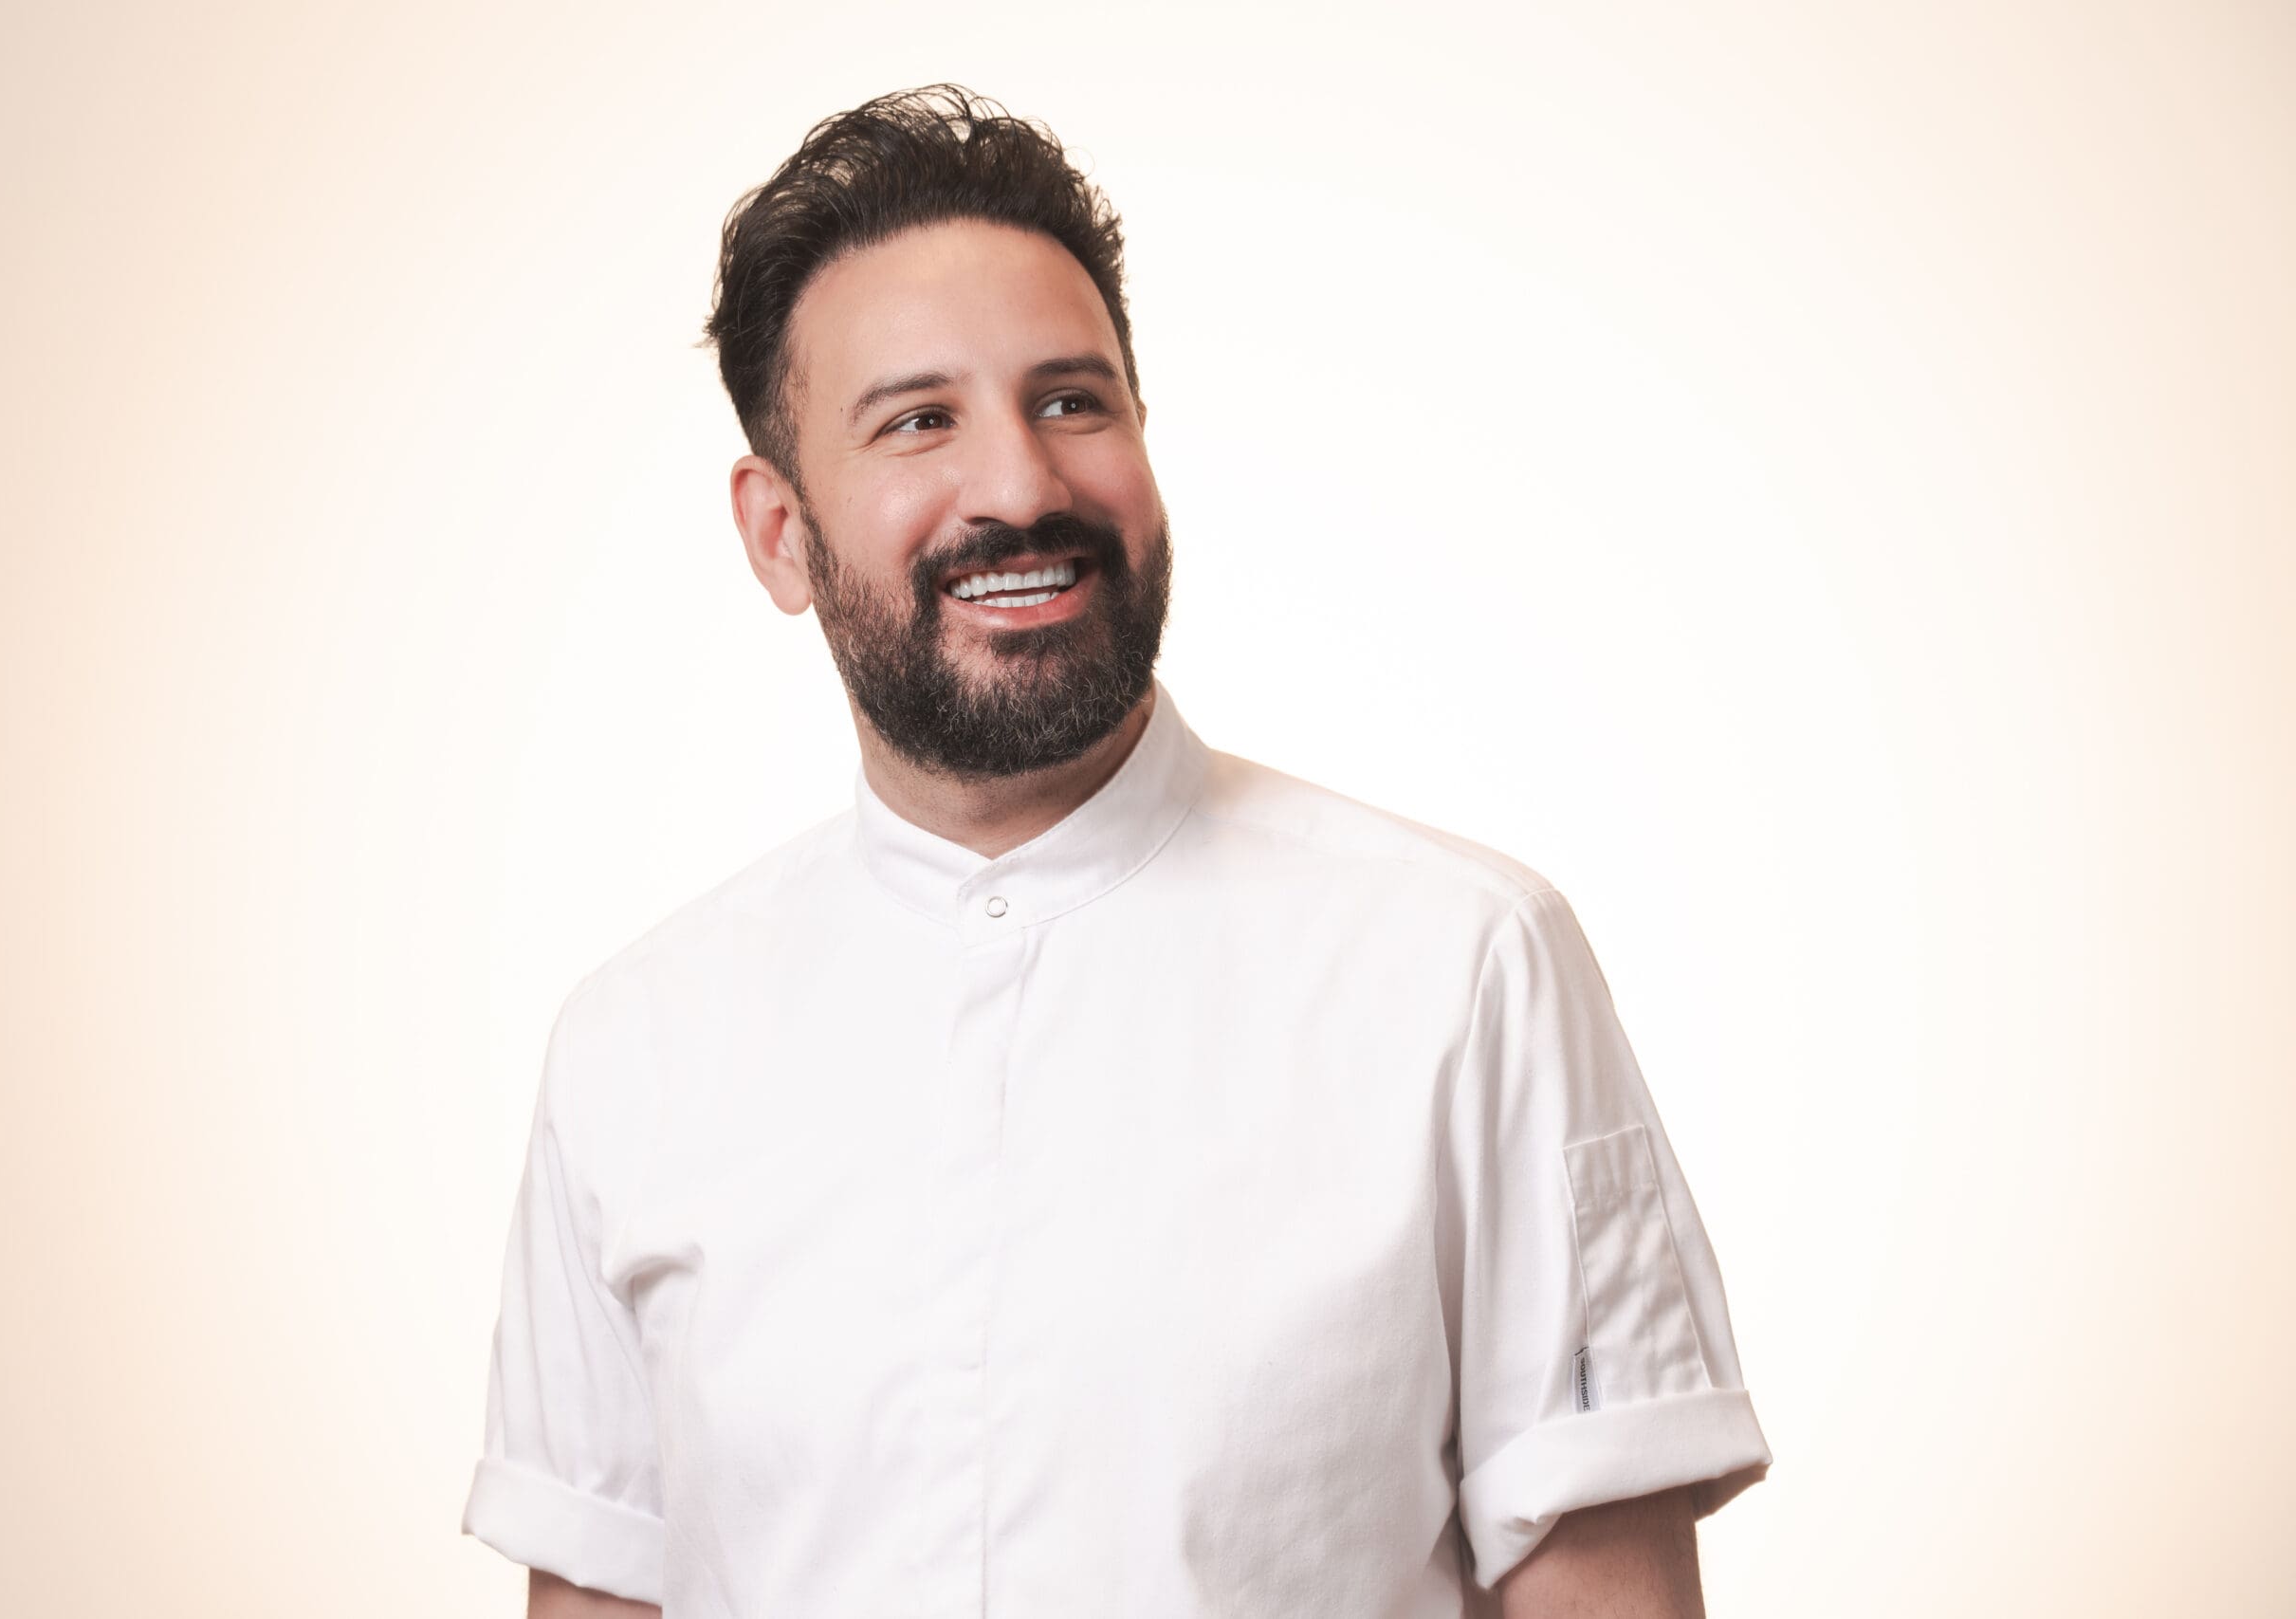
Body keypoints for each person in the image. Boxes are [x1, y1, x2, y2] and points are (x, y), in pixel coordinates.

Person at [460, 83, 1772, 1619]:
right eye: (920, 420)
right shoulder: (635, 1050)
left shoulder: (1466, 968)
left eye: (1074, 400)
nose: (1020, 487)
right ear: (779, 534)